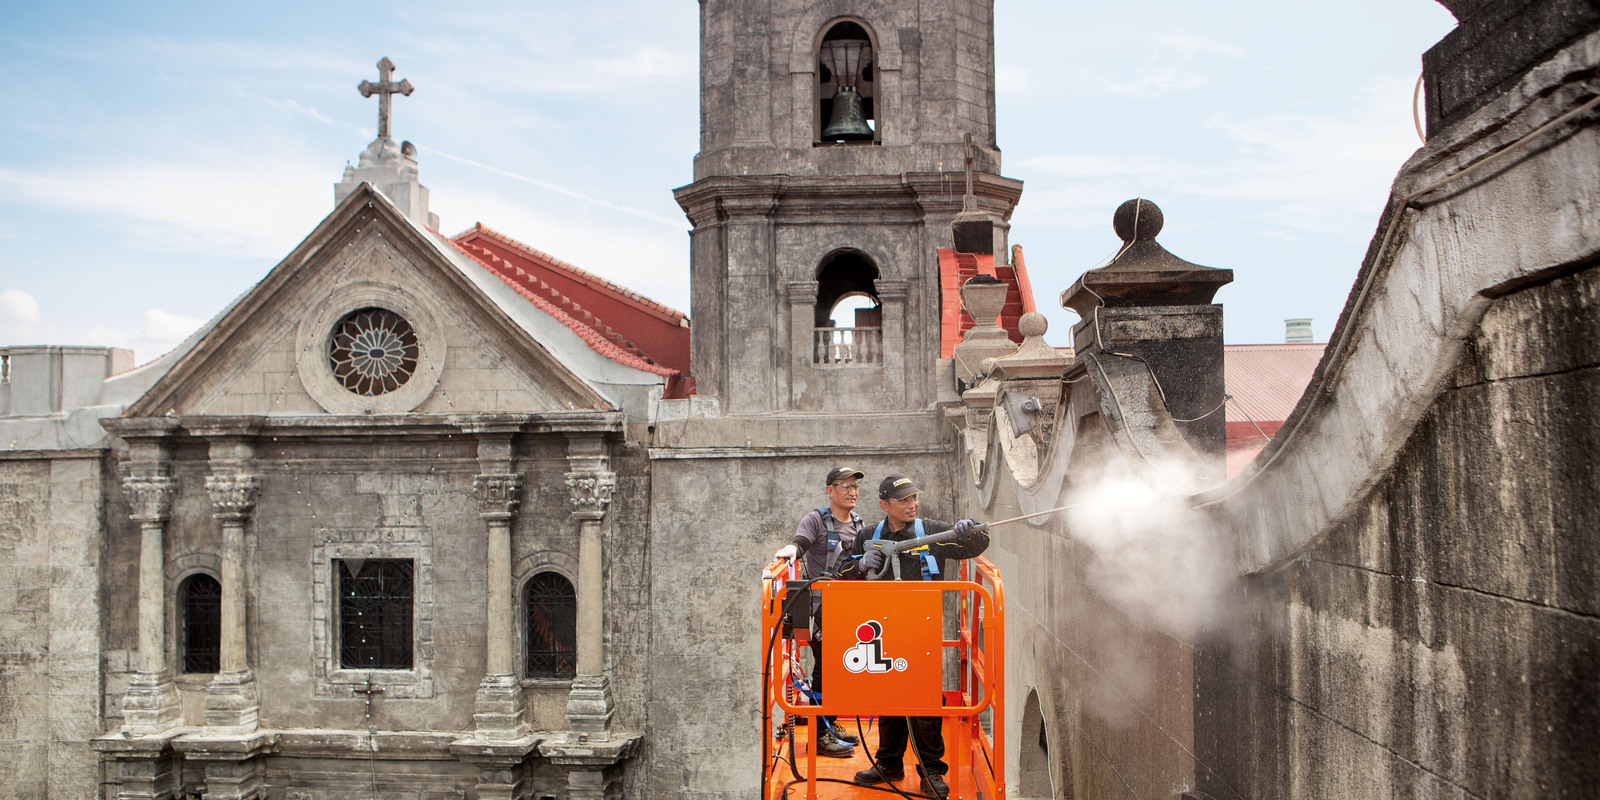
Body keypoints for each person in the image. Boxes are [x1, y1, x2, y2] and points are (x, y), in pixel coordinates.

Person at [836, 473, 987, 799]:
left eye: (914, 498)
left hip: (922, 630)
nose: (911, 504)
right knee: (888, 696)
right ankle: (889, 763)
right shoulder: (867, 536)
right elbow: (841, 573)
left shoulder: (931, 533)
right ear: (884, 505)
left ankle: (931, 771)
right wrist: (861, 565)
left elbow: (975, 545)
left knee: (924, 702)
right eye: (903, 500)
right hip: (883, 630)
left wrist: (971, 528)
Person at [773, 466, 868, 758]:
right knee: (825, 668)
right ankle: (819, 735)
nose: (852, 491)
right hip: (821, 610)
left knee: (843, 667)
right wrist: (792, 550)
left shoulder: (859, 524)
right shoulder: (816, 520)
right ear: (830, 490)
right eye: (845, 485)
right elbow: (802, 542)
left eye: (855, 486)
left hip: (849, 608)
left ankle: (829, 722)